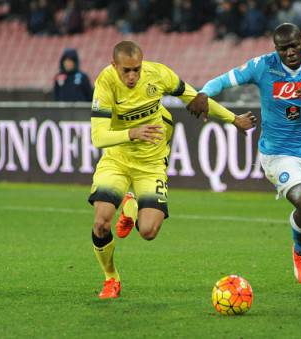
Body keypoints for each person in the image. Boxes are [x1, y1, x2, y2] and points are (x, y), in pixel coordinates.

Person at [187, 23, 301, 292]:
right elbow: (225, 79)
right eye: (283, 49)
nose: (290, 52)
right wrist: (203, 93)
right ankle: (300, 251)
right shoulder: (263, 65)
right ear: (276, 50)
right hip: (277, 155)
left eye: (294, 46)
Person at [89, 40, 255, 299]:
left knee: (148, 232)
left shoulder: (159, 74)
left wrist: (234, 119)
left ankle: (131, 206)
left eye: (137, 69)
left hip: (151, 163)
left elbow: (195, 98)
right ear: (114, 66)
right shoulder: (105, 82)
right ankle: (111, 278)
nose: (132, 76)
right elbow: (98, 137)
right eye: (126, 71)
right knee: (101, 223)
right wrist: (133, 132)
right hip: (117, 160)